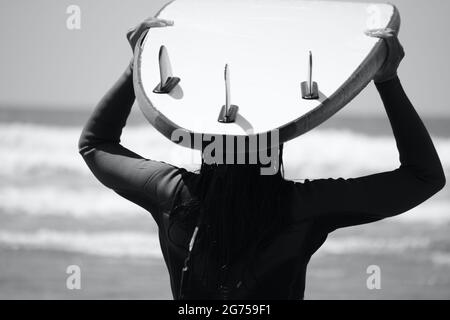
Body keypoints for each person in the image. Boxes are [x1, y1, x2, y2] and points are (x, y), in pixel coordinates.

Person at [78, 18, 446, 300]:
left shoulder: (172, 195)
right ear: (279, 140)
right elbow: (424, 177)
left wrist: (135, 68)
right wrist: (386, 79)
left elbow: (96, 145)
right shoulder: (301, 208)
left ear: (205, 138)